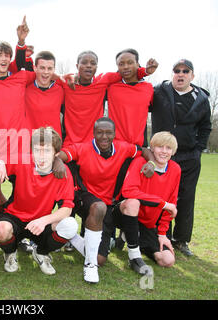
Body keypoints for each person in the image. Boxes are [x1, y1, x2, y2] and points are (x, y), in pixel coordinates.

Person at [58, 117, 155, 283]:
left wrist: (151, 162)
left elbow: (143, 150)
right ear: (94, 133)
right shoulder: (83, 148)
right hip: (85, 198)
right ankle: (89, 265)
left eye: (109, 132)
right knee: (99, 207)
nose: (104, 136)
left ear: (114, 134)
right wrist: (58, 161)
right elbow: (62, 154)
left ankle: (71, 237)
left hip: (108, 205)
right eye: (100, 132)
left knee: (100, 259)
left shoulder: (123, 148)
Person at [0, 127, 79, 276]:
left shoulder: (62, 172)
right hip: (15, 217)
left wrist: (43, 221)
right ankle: (10, 253)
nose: (41, 156)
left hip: (41, 221)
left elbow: (67, 209)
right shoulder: (22, 160)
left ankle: (41, 253)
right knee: (1, 229)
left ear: (56, 153)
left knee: (70, 225)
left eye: (46, 151)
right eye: (37, 150)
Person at [150, 59, 212, 256]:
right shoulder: (159, 91)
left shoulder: (201, 98)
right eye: (177, 70)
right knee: (162, 198)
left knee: (186, 198)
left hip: (189, 157)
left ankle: (182, 240)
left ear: (192, 76)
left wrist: (198, 149)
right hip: (162, 156)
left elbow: (205, 127)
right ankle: (162, 236)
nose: (180, 74)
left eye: (185, 71)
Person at [61, 51, 152, 145]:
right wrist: (70, 75)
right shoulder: (67, 83)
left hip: (94, 145)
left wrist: (145, 71)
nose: (88, 66)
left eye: (93, 63)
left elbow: (127, 73)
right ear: (77, 66)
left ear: (96, 67)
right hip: (68, 143)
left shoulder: (103, 81)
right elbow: (48, 78)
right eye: (84, 63)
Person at [120, 131, 181, 268]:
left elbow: (171, 203)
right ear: (152, 148)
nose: (164, 151)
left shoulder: (175, 169)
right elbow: (129, 191)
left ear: (173, 151)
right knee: (133, 202)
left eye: (168, 148)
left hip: (148, 224)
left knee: (167, 260)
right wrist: (163, 204)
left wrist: (162, 234)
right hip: (126, 215)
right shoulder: (140, 162)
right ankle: (134, 255)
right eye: (160, 147)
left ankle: (136, 238)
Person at [106, 48, 157, 147]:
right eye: (121, 64)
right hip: (115, 146)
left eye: (130, 63)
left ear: (137, 64)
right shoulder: (111, 87)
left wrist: (144, 71)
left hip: (139, 146)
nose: (125, 67)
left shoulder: (149, 88)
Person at [24, 50, 64, 137]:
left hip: (53, 144)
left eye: (49, 68)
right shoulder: (25, 90)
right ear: (35, 68)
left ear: (54, 70)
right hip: (30, 144)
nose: (46, 72)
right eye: (42, 68)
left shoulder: (61, 90)